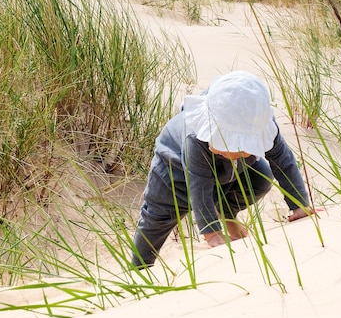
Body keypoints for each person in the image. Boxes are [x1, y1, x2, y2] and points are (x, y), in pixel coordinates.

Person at [131, 70, 313, 268]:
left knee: (261, 178)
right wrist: (212, 233)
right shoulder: (195, 138)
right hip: (175, 172)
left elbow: (284, 162)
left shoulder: (263, 125)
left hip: (230, 171)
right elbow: (198, 186)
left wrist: (299, 204)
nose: (231, 150)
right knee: (158, 219)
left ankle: (225, 212)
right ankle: (139, 267)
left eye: (240, 147)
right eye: (225, 143)